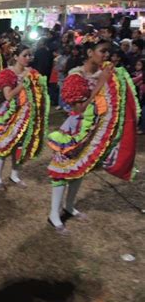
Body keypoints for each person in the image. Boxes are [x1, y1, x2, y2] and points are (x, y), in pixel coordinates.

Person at [47, 39, 139, 235]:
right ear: (90, 52)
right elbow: (78, 108)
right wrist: (100, 84)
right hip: (74, 130)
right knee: (62, 170)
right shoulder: (76, 76)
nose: (106, 56)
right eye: (102, 51)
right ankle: (54, 214)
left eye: (108, 53)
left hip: (92, 131)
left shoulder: (105, 74)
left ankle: (69, 206)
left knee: (81, 169)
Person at [0, 45, 50, 190]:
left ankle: (14, 175)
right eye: (25, 55)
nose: (28, 58)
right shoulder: (8, 73)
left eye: (30, 55)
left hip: (27, 114)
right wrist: (23, 84)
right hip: (11, 114)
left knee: (21, 145)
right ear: (16, 57)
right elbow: (8, 96)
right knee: (4, 144)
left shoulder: (32, 72)